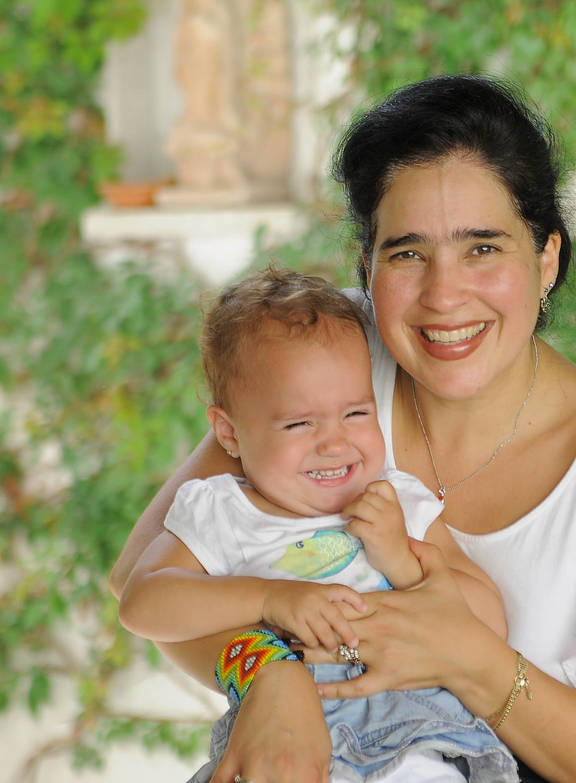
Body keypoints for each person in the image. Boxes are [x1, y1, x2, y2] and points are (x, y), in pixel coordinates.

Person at [109, 74, 576, 783]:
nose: (443, 295)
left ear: (547, 257)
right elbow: (142, 580)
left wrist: (471, 661)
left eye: (483, 248)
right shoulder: (330, 359)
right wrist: (265, 668)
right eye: (407, 253)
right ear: (366, 266)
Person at [117, 266, 518, 782]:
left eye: (356, 414)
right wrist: (268, 598)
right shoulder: (222, 511)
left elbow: (490, 621)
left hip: (419, 741)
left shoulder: (394, 502)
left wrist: (401, 558)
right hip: (282, 750)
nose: (334, 442)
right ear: (229, 433)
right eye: (299, 423)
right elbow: (141, 602)